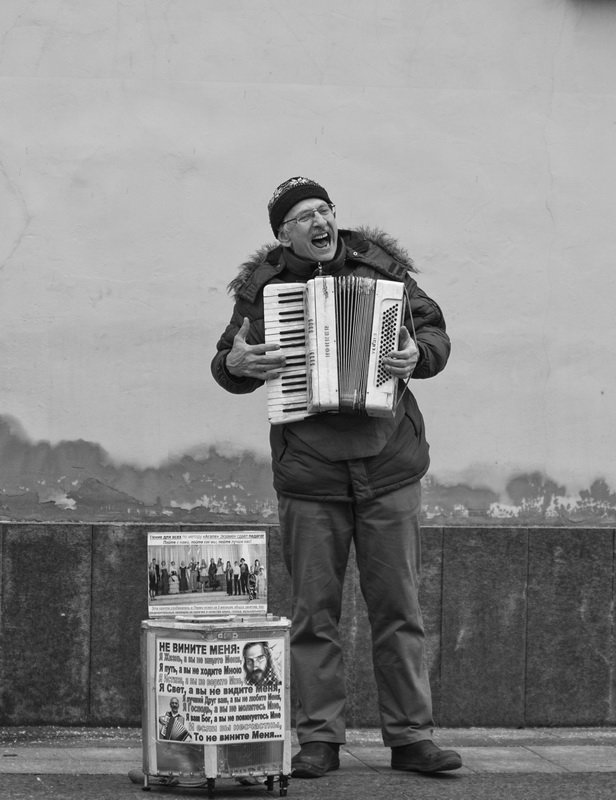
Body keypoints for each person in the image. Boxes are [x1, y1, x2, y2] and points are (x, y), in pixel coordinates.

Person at [211, 176, 460, 778]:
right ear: (283, 234)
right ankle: (319, 739)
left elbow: (434, 333)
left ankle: (411, 738)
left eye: (324, 210)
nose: (319, 222)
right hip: (310, 472)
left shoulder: (384, 269)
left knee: (399, 608)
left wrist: (416, 356)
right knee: (313, 613)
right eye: (302, 216)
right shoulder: (264, 288)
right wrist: (234, 364)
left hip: (389, 465)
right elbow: (229, 360)